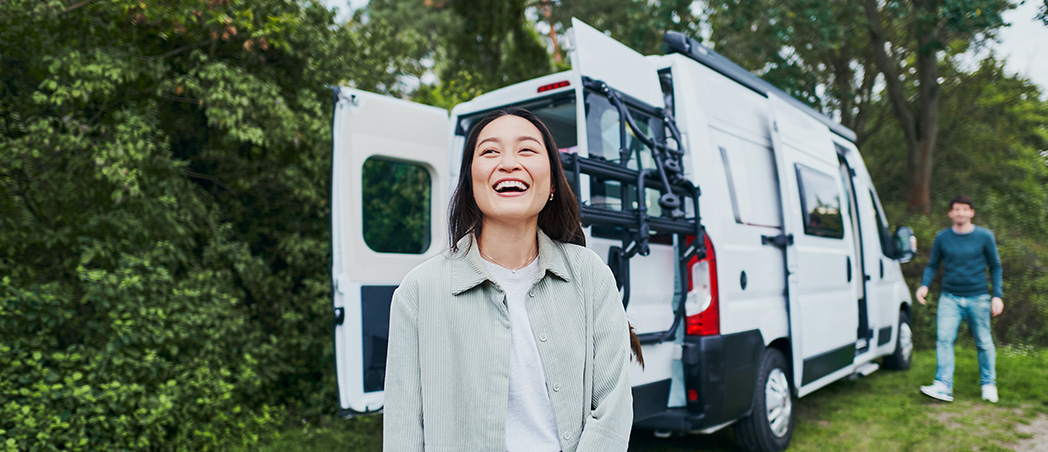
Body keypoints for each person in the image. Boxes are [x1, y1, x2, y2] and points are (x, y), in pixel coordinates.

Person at [383, 107, 641, 452]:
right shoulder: (419, 291)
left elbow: (613, 410)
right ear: (470, 183)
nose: (508, 163)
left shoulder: (590, 275)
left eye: (527, 150)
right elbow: (403, 432)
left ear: (551, 184)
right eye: (490, 151)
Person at [917, 195, 1003, 403]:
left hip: (979, 297)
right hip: (950, 298)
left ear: (972, 213)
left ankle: (988, 385)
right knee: (944, 339)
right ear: (950, 213)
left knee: (983, 342)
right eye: (956, 209)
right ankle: (943, 386)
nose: (960, 213)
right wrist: (924, 285)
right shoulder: (942, 237)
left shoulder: (985, 236)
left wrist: (997, 296)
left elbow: (995, 267)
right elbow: (932, 265)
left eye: (965, 209)